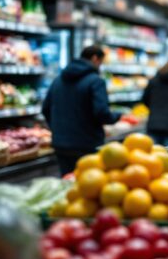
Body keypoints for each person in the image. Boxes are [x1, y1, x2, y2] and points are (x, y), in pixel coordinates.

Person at [43, 45, 121, 175]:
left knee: (67, 183)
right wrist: (116, 116)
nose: (100, 67)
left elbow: (45, 108)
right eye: (101, 63)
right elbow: (101, 112)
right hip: (86, 144)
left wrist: (58, 130)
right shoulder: (96, 81)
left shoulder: (58, 80)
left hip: (61, 144)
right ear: (95, 58)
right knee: (87, 186)